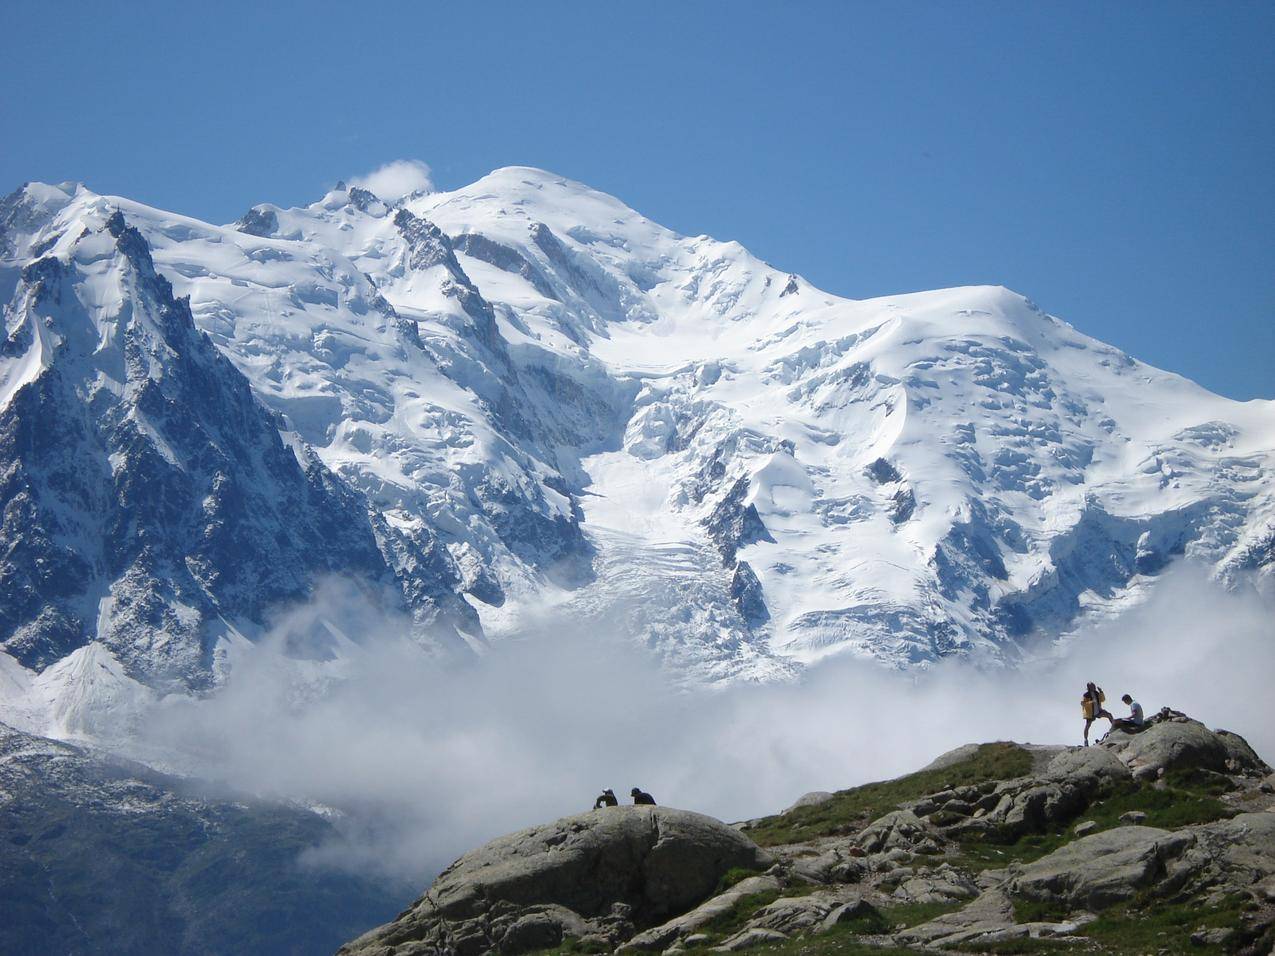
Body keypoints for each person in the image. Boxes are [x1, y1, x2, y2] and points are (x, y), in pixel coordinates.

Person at [1082, 681, 1113, 746]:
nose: (1094, 687)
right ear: (1089, 687)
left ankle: (1114, 727)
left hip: (1098, 711)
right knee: (1087, 726)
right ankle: (1085, 740)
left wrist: (1101, 692)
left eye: (1094, 685)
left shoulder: (1096, 693)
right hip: (1090, 713)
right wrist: (1091, 702)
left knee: (1109, 715)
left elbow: (1103, 700)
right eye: (1092, 686)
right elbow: (1083, 704)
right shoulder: (1086, 695)